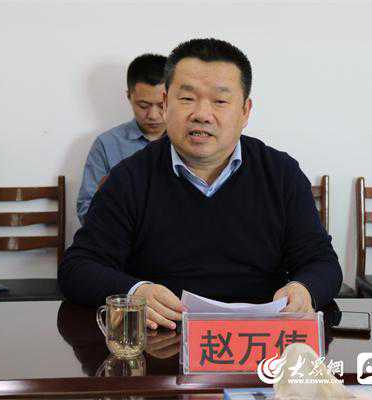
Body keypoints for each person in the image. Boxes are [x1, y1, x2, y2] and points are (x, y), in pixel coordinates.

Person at [59, 39, 342, 330]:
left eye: (220, 101)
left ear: (245, 111)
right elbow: (77, 268)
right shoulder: (130, 177)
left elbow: (322, 262)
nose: (202, 115)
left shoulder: (280, 174)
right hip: (163, 339)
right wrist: (135, 291)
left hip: (259, 339)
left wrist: (305, 289)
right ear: (166, 104)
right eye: (187, 98)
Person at [77, 53, 167, 224]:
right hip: (121, 238)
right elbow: (86, 208)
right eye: (143, 105)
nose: (153, 115)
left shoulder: (189, 142)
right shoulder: (107, 145)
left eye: (162, 105)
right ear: (129, 96)